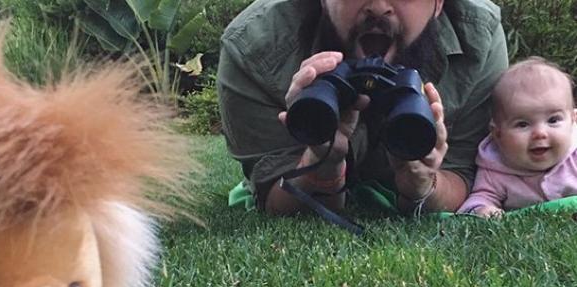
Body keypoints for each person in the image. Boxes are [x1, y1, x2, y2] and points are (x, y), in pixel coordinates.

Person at [217, 0, 508, 216]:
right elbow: (274, 199)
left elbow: (465, 177)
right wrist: (321, 161)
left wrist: (422, 183)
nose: (379, 7)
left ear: (438, 4)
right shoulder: (253, 48)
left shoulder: (478, 38)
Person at [457, 57, 577, 217]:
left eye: (553, 120)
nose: (540, 133)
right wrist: (483, 209)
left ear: (573, 121)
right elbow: (480, 198)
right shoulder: (495, 166)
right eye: (523, 124)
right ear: (497, 133)